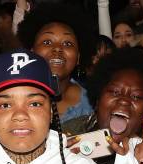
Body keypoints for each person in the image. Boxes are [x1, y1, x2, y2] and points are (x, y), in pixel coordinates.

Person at [17, 4, 94, 135]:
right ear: (32, 52)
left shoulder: (93, 104)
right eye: (47, 42)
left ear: (78, 58)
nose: (57, 48)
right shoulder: (14, 98)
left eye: (67, 44)